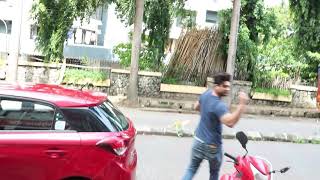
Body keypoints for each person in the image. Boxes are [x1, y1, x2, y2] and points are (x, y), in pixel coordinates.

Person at [182, 72, 248, 180]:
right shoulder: (219, 106)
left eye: (228, 86)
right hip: (212, 146)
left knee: (191, 169)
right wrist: (241, 104)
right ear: (217, 86)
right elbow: (230, 123)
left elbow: (196, 106)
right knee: (214, 173)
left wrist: (208, 115)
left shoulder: (206, 94)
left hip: (198, 141)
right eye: (224, 86)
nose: (227, 89)